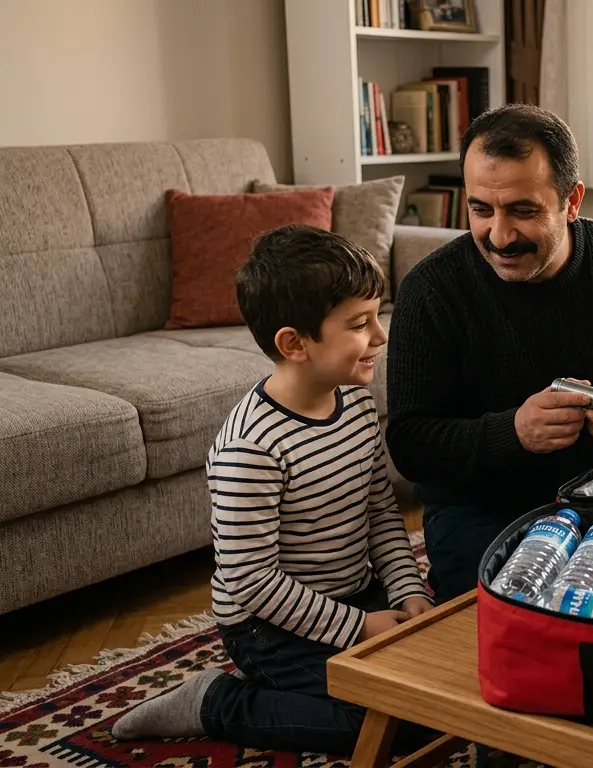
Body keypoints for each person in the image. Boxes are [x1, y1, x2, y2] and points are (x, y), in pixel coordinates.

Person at [112, 226, 435, 756]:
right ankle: (215, 702)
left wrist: (408, 592)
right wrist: (359, 629)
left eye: (378, 315)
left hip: (353, 595)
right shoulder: (251, 448)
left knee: (446, 685)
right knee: (391, 725)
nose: (381, 335)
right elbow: (252, 581)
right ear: (294, 344)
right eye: (360, 324)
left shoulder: (353, 402)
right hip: (268, 627)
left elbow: (380, 511)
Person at [387, 104, 593, 602]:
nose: (499, 236)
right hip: (480, 508)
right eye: (480, 210)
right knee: (507, 620)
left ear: (572, 200)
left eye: (523, 210)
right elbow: (409, 444)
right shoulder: (431, 288)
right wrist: (512, 433)